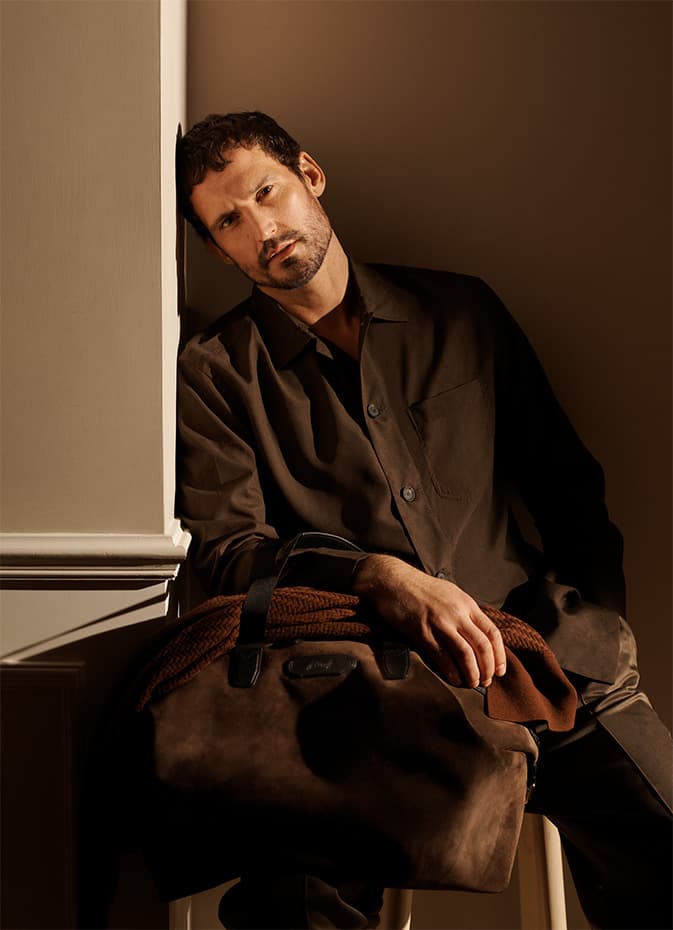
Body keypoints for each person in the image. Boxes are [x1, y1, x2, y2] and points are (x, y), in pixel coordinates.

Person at [175, 111, 672, 929]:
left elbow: (565, 483)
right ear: (216, 250)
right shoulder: (214, 373)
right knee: (292, 905)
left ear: (310, 175)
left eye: (266, 193)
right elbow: (232, 555)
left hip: (542, 661)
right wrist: (376, 576)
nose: (262, 229)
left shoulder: (461, 312)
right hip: (362, 691)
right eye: (228, 221)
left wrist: (598, 623)